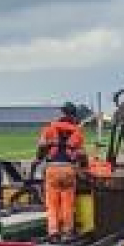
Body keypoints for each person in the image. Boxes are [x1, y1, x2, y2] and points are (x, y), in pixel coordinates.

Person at [37, 102, 88, 238]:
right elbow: (82, 155)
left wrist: (40, 159)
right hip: (68, 169)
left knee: (52, 204)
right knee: (68, 203)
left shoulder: (49, 128)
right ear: (73, 115)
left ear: (62, 113)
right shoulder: (77, 131)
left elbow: (41, 148)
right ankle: (67, 231)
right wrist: (84, 167)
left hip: (52, 169)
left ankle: (53, 231)